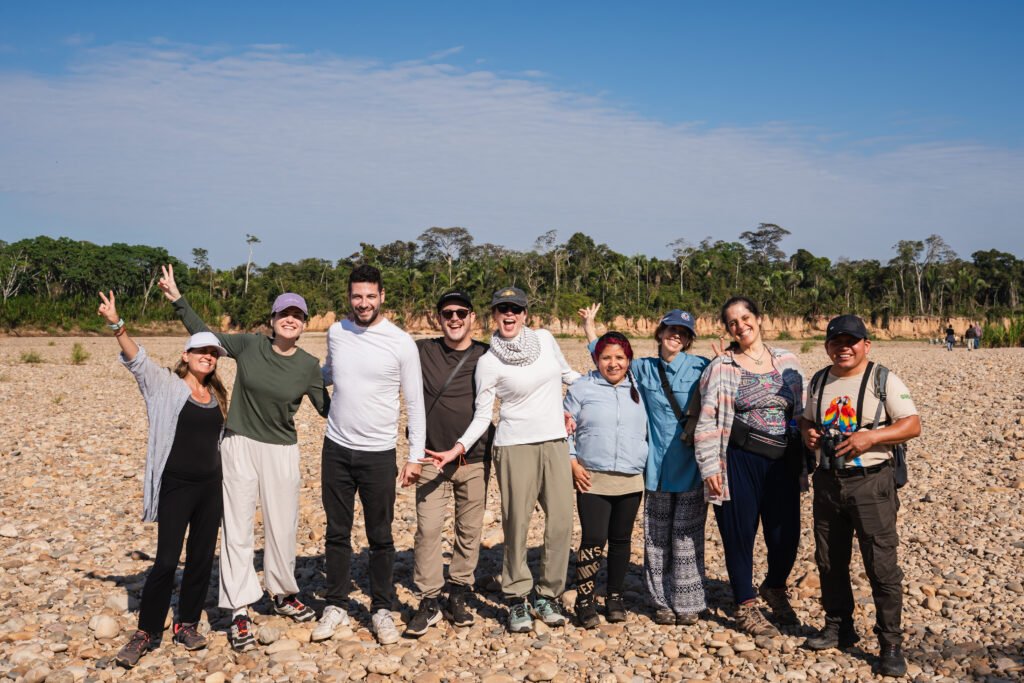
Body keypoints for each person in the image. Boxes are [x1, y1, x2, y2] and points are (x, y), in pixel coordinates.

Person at [158, 265, 329, 652]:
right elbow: (206, 336)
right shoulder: (251, 345)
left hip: (282, 450)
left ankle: (283, 593)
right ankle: (237, 608)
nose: (290, 320)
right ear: (272, 320)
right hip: (239, 444)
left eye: (297, 315)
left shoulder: (308, 367)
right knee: (236, 527)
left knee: (282, 526)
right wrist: (177, 299)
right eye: (284, 314)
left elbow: (329, 408)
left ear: (304, 324)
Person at [428, 286, 581, 633]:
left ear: (525, 314)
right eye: (502, 309)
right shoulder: (488, 362)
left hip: (555, 442)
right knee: (517, 525)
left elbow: (569, 377)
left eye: (515, 308)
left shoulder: (545, 339)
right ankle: (515, 597)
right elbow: (483, 416)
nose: (509, 314)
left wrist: (610, 386)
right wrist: (457, 448)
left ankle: (547, 593)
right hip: (514, 447)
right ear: (493, 316)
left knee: (560, 523)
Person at [99, 291, 228, 668]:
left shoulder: (217, 394)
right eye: (201, 351)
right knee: (167, 559)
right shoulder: (165, 385)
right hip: (176, 486)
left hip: (211, 488)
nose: (208, 356)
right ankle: (146, 631)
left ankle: (186, 623)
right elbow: (136, 360)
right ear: (185, 356)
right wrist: (116, 323)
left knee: (202, 558)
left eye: (213, 353)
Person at [800, 314, 920, 678]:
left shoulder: (883, 379)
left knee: (881, 566)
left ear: (866, 345)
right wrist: (807, 433)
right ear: (827, 347)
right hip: (827, 482)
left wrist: (871, 437)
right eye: (837, 341)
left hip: (871, 483)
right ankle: (839, 626)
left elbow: (912, 424)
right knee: (829, 559)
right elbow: (805, 420)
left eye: (852, 341)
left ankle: (890, 644)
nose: (844, 347)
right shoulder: (820, 380)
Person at [313, 264, 426, 645]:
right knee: (337, 532)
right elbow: (331, 373)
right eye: (357, 296)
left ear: (382, 297)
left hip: (379, 453)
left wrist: (415, 456)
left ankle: (380, 608)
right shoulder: (336, 332)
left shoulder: (400, 342)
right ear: (350, 297)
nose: (363, 303)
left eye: (370, 296)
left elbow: (414, 401)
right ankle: (336, 604)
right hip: (337, 448)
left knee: (380, 535)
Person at [579, 304, 710, 626]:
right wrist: (590, 326)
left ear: (689, 338)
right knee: (655, 538)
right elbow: (608, 356)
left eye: (683, 332)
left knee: (687, 536)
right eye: (671, 330)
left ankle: (689, 600)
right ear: (660, 333)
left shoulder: (702, 367)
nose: (675, 336)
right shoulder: (644, 368)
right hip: (654, 469)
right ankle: (661, 601)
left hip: (691, 466)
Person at [693, 296, 805, 637]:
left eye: (745, 318)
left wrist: (807, 456)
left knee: (785, 535)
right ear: (727, 329)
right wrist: (710, 467)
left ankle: (774, 586)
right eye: (732, 322)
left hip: (782, 460)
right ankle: (745, 604)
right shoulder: (722, 366)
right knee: (739, 534)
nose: (741, 326)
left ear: (759, 318)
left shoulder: (787, 360)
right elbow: (708, 418)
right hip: (738, 459)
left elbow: (800, 412)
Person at [401, 290, 495, 637]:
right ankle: (428, 599)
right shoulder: (421, 350)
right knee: (427, 529)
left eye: (461, 313)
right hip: (429, 457)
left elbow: (530, 375)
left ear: (473, 318)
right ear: (436, 319)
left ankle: (458, 590)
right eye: (447, 314)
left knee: (468, 531)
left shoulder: (487, 353)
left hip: (475, 457)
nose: (454, 319)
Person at [563, 331, 648, 628]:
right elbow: (563, 427)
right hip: (592, 477)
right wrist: (572, 461)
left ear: (629, 360)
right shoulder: (582, 388)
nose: (613, 364)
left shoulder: (640, 388)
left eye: (620, 358)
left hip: (630, 476)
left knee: (621, 540)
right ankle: (584, 601)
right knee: (594, 539)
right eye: (606, 357)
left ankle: (615, 596)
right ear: (596, 359)